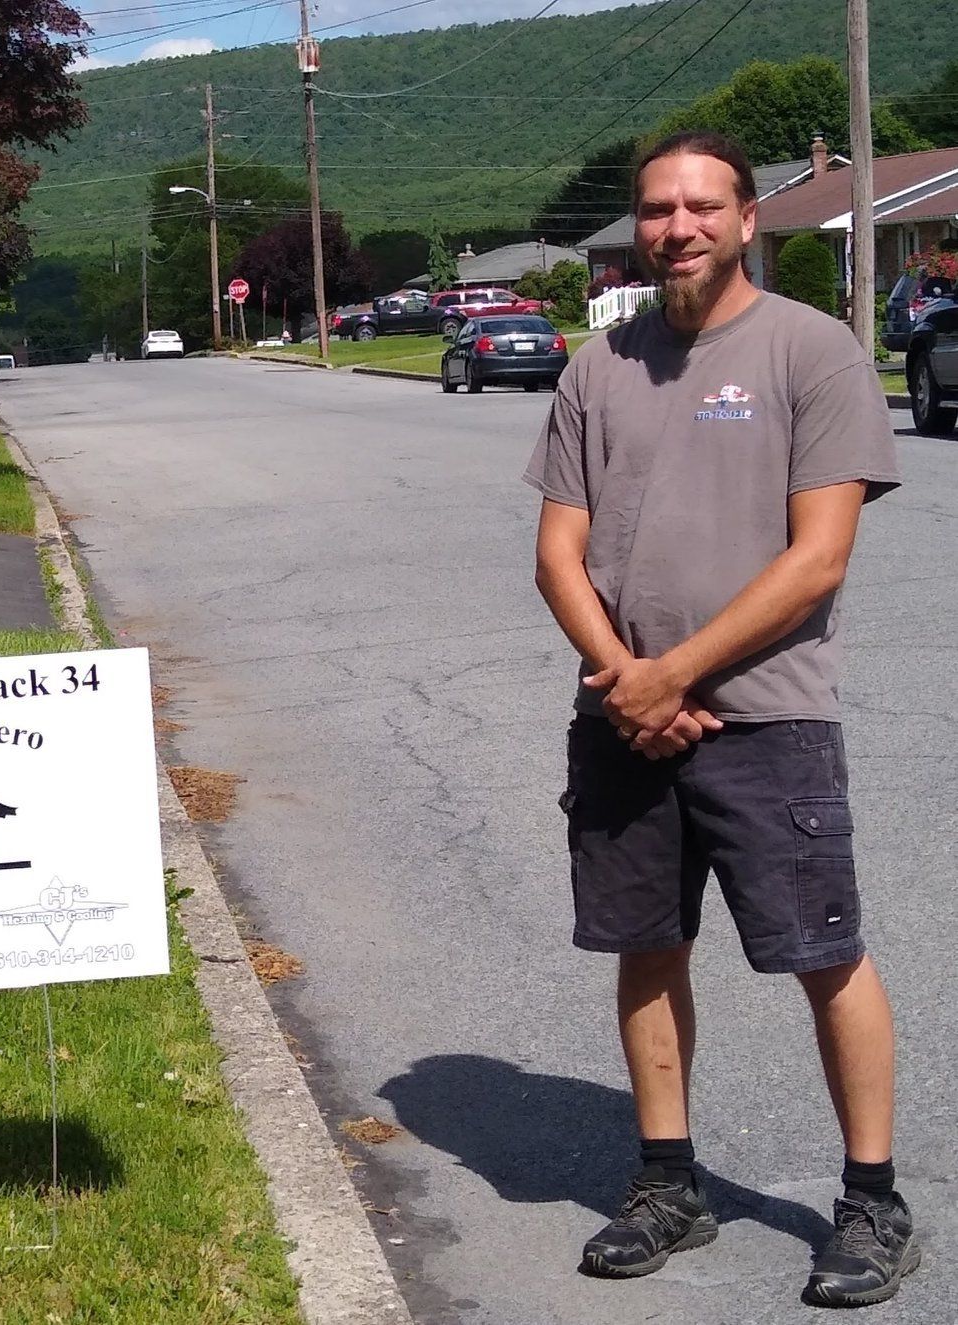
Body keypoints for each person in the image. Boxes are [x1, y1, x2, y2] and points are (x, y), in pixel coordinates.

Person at [524, 130, 916, 1307]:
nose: (677, 226)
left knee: (824, 953)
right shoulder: (599, 366)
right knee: (646, 946)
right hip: (623, 718)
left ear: (749, 220)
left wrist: (674, 671)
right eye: (656, 208)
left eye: (702, 205)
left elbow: (819, 558)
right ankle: (668, 1182)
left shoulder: (815, 351)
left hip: (766, 718)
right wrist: (626, 681)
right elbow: (558, 553)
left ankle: (872, 1197)